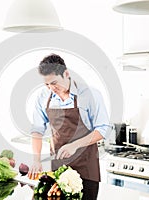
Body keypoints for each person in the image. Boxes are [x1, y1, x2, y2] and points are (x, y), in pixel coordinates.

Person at [28, 53, 110, 200]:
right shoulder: (43, 97)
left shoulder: (90, 94)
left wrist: (74, 145)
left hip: (86, 170)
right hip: (58, 170)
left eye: (54, 83)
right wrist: (36, 160)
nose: (51, 88)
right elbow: (37, 130)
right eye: (47, 84)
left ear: (66, 74)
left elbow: (103, 129)